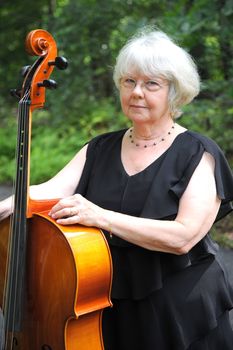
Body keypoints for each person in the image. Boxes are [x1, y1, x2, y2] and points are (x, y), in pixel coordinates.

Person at [1, 28, 233, 349]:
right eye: (129, 81)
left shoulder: (198, 152)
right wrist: (10, 203)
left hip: (178, 310)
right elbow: (43, 193)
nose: (137, 92)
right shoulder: (99, 148)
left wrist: (101, 216)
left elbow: (183, 237)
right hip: (103, 302)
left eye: (151, 83)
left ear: (175, 93)